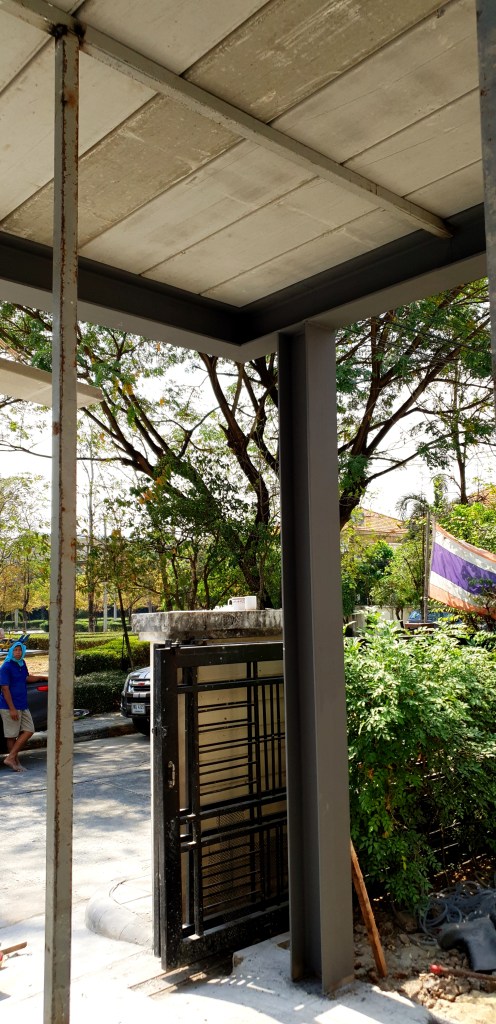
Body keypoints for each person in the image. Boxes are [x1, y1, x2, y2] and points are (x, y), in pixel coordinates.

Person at [0, 641, 48, 772]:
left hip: (22, 704)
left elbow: (26, 678)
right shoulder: (6, 667)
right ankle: (15, 762)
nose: (18, 652)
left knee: (29, 730)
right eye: (15, 650)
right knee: (11, 735)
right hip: (9, 706)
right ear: (11, 651)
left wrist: (42, 678)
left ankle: (10, 758)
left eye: (20, 650)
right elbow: (4, 688)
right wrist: (12, 709)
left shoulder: (21, 663)